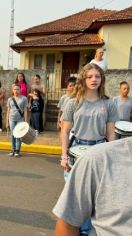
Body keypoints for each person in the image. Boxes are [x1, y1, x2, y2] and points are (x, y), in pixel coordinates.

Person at [60, 63, 118, 234]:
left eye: (97, 76)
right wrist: (64, 155)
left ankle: (86, 230)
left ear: (102, 79)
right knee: (77, 196)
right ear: (84, 79)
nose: (94, 80)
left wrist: (111, 157)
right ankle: (79, 229)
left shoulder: (108, 104)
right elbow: (65, 132)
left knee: (96, 195)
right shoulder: (73, 103)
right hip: (76, 149)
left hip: (99, 149)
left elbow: (111, 135)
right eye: (90, 76)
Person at [53, 137, 132, 236]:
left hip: (98, 147)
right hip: (84, 148)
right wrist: (64, 156)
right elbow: (67, 224)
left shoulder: (103, 157)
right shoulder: (96, 159)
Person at [6, 84, 29, 157]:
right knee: (12, 134)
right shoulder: (10, 99)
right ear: (12, 90)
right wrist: (7, 121)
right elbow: (8, 110)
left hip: (20, 119)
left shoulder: (24, 98)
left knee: (18, 134)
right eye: (14, 89)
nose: (16, 91)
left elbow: (25, 110)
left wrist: (26, 121)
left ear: (20, 90)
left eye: (17, 89)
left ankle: (17, 150)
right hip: (11, 119)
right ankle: (12, 149)